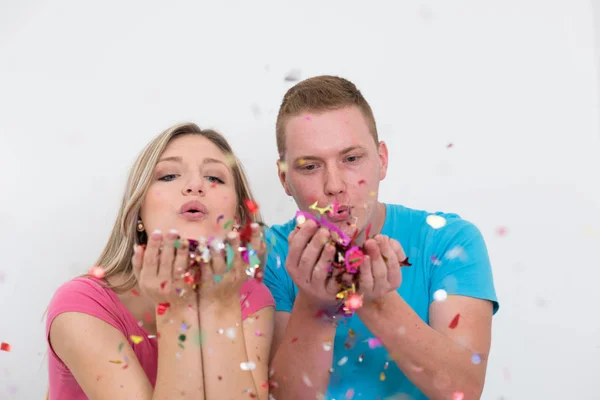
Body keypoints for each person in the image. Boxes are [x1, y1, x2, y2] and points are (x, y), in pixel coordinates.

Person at [264, 76, 499, 400]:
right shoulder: (271, 253)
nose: (334, 185)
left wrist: (378, 302)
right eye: (309, 166)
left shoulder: (450, 241)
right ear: (284, 179)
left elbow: (463, 390)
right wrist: (315, 305)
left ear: (382, 160)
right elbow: (283, 397)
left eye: (350, 159)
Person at [46, 123, 275, 400]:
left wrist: (220, 305)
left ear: (237, 217)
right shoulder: (81, 305)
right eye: (168, 176)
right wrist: (176, 306)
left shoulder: (250, 299)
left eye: (214, 177)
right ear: (138, 211)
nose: (195, 186)